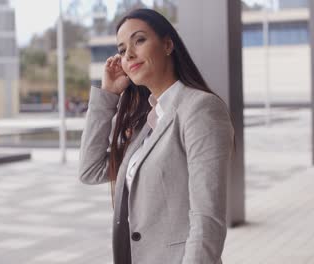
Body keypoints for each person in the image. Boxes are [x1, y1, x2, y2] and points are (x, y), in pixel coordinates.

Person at [79, 8, 235, 264]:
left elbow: (207, 218)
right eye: (121, 49)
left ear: (167, 44)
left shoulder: (200, 108)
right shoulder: (147, 122)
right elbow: (90, 170)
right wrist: (107, 96)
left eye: (139, 40)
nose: (128, 54)